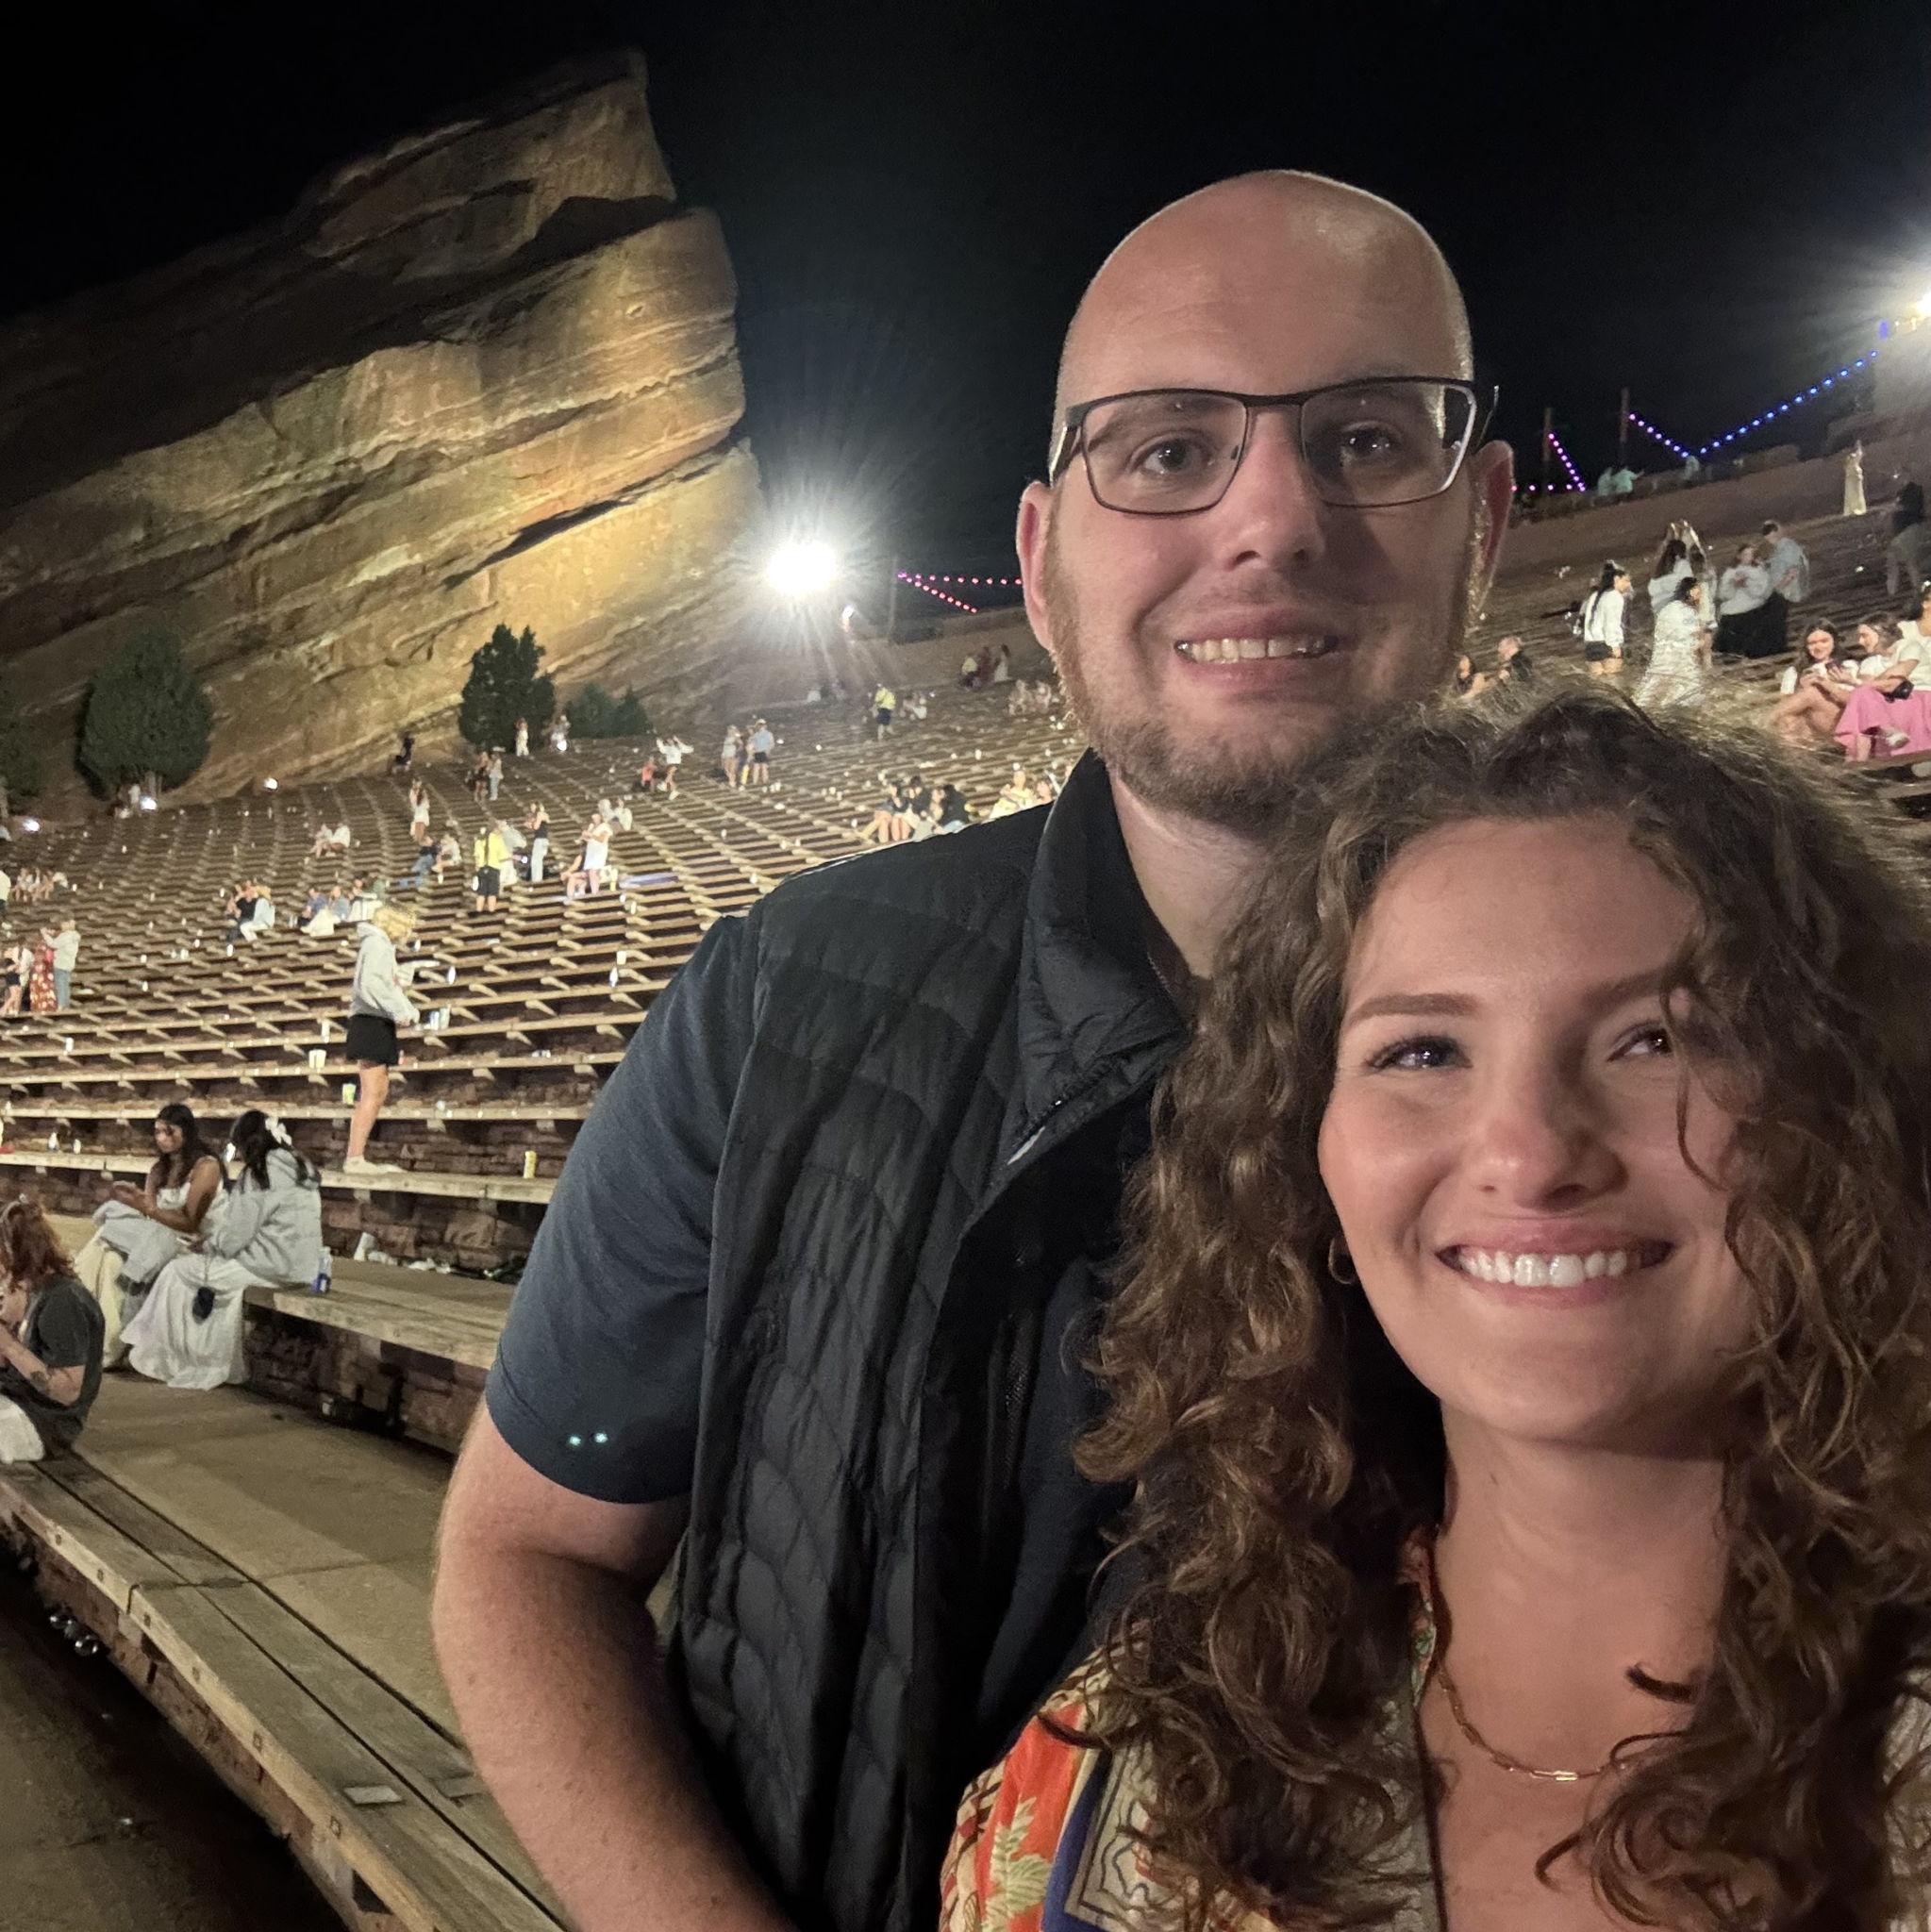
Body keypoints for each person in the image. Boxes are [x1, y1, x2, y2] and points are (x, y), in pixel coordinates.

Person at [432, 169, 1515, 1932]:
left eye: (1364, 439)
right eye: (1166, 450)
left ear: (1484, 519)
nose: (1269, 519)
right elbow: (525, 1552)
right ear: (1035, 557)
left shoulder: (1702, 1046)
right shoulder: (781, 997)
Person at [941, 687, 1931, 1930]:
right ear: (1306, 1158)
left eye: (1655, 1038)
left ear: (1838, 1116)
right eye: (1420, 1052)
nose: (1527, 1152)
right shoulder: (1098, 1787)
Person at [125, 1112, 324, 1391]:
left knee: (176, 1271)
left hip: (268, 1266)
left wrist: (207, 1244)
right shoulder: (300, 1166)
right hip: (302, 1267)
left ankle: (175, 1359)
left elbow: (237, 1233)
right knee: (192, 1269)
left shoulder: (261, 1172)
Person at [76, 1103, 226, 1367]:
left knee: (107, 1241)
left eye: (169, 1132)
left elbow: (190, 1222)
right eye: (157, 1132)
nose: (162, 1139)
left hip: (194, 1244)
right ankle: (101, 1343)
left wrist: (146, 1207)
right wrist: (134, 1201)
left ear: (187, 1132)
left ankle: (100, 1343)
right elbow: (151, 1213)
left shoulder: (206, 1167)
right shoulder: (159, 1170)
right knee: (109, 1257)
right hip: (160, 1236)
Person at [0, 1197, 104, 1462]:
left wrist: (10, 1347)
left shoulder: (63, 1300)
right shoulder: (31, 1289)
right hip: (14, 1399)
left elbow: (68, 1391)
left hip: (43, 1423)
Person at [343, 901, 418, 1177]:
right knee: (372, 1092)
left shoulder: (380, 946)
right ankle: (354, 1158)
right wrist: (401, 1010)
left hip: (376, 1021)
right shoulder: (376, 945)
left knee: (378, 1091)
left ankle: (357, 1156)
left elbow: (380, 983)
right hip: (370, 1022)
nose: (409, 933)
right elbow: (371, 986)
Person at [1772, 623, 1857, 745]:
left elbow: (1857, 701)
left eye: (1824, 641)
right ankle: (1797, 760)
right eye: (1812, 643)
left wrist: (1827, 686)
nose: (1818, 647)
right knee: (1788, 719)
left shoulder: (1848, 666)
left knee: (1812, 692)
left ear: (1834, 642)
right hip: (1810, 723)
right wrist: (1801, 689)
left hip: (1839, 718)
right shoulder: (1794, 672)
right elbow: (1785, 703)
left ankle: (1765, 723)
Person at [1632, 575, 1711, 708]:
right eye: (1698, 591)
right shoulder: (1688, 612)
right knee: (1688, 691)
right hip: (1680, 658)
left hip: (1662, 656)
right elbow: (1691, 636)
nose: (1700, 595)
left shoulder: (1667, 609)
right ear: (1691, 591)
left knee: (1651, 689)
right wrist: (1702, 643)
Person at [1714, 541, 1774, 658]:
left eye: (1750, 554)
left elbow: (1762, 593)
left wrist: (1746, 584)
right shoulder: (1730, 572)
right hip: (1732, 611)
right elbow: (1723, 595)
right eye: (1745, 554)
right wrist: (1734, 585)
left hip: (1752, 610)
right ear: (1739, 556)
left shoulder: (1759, 572)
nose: (1748, 557)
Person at [1758, 518, 1809, 653]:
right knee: (1776, 619)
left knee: (1777, 618)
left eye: (1771, 534)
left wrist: (1779, 587)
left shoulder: (1788, 546)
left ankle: (1779, 647)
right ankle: (1777, 646)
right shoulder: (1777, 550)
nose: (1770, 539)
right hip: (1780, 590)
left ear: (1777, 532)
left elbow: (1793, 571)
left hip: (1786, 591)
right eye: (1767, 536)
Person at [1576, 560, 1628, 677]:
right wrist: (1614, 645)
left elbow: (1585, 620)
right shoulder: (1615, 596)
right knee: (1613, 682)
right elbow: (1610, 624)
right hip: (1607, 645)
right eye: (1625, 580)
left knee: (1599, 686)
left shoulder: (1594, 596)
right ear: (1616, 580)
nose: (1628, 584)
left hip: (1591, 647)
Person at [1888, 468, 1927, 600]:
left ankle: (1916, 588)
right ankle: (1894, 589)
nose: (1897, 478)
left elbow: (1910, 507)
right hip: (1901, 531)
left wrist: (1892, 509)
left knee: (1907, 559)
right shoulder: (1900, 492)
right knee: (1900, 558)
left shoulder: (1915, 489)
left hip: (1911, 528)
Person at [474, 821, 510, 915]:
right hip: (493, 867)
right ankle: (491, 910)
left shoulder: (479, 840)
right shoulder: (498, 839)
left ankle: (478, 910)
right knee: (492, 891)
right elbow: (502, 857)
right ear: (495, 829)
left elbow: (476, 856)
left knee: (481, 891)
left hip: (482, 868)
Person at [50, 916, 79, 1010]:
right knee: (65, 985)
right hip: (69, 963)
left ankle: (61, 1005)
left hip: (60, 963)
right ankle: (66, 1005)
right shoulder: (74, 936)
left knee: (60, 985)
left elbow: (53, 944)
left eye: (63, 924)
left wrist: (45, 935)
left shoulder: (65, 936)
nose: (61, 926)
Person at [525, 804, 551, 886]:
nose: (531, 808)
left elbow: (536, 826)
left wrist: (532, 823)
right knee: (537, 860)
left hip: (540, 840)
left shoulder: (540, 814)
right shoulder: (540, 815)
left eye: (533, 806)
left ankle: (536, 880)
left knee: (536, 861)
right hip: (543, 839)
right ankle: (537, 879)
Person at [744, 718, 774, 787]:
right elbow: (751, 744)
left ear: (765, 726)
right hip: (757, 753)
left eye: (762, 725)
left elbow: (771, 743)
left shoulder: (768, 734)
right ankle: (755, 782)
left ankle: (764, 781)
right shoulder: (756, 735)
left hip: (763, 752)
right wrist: (751, 751)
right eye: (759, 725)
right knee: (756, 768)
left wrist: (768, 751)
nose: (761, 726)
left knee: (763, 767)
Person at [1843, 439, 1868, 517]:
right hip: (1851, 478)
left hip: (1856, 478)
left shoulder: (1856, 459)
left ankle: (1858, 508)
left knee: (1857, 493)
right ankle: (1852, 508)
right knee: (1852, 493)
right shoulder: (1850, 457)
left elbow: (1859, 455)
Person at [719, 726, 741, 790]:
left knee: (730, 770)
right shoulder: (727, 738)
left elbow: (741, 744)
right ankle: (732, 782)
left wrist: (737, 750)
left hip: (731, 755)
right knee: (728, 769)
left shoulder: (735, 737)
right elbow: (724, 748)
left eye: (730, 730)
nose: (729, 731)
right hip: (727, 755)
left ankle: (732, 782)